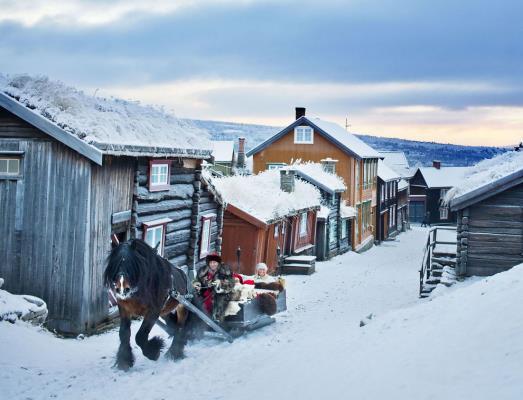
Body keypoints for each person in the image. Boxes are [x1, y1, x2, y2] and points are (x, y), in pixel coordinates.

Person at [193, 253, 235, 322]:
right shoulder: (203, 270)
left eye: (214, 262)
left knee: (219, 302)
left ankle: (217, 320)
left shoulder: (225, 270)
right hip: (206, 292)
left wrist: (221, 283)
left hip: (221, 293)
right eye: (211, 262)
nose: (212, 264)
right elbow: (197, 280)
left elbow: (231, 282)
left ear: (218, 263)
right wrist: (197, 284)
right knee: (196, 301)